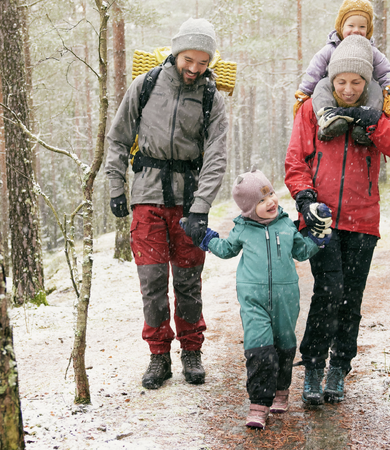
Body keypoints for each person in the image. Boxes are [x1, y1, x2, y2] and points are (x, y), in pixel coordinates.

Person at [285, 34, 390, 405]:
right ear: (331, 78)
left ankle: (339, 367)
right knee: (329, 291)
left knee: (350, 298)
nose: (349, 89)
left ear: (368, 81)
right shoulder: (311, 109)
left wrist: (374, 121)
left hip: (363, 221)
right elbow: (295, 160)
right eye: (342, 81)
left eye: (357, 82)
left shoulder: (381, 109)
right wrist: (305, 198)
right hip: (321, 219)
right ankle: (312, 367)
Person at [104, 18, 228, 390]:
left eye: (203, 62)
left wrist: (202, 206)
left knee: (188, 282)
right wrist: (115, 185)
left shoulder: (212, 98)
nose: (194, 68)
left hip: (189, 204)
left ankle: (191, 351)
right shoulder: (146, 85)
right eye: (189, 59)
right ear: (176, 53)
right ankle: (159, 356)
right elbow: (119, 138)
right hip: (147, 198)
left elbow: (216, 157)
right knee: (152, 282)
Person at [188, 169, 321, 429]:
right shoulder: (243, 229)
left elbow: (303, 252)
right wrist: (205, 237)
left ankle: (281, 389)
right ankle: (259, 403)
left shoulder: (285, 224)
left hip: (286, 297)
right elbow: (226, 250)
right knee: (258, 348)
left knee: (284, 344)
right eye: (261, 200)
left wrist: (318, 238)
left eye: (270, 194)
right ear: (249, 209)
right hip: (253, 299)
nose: (271, 201)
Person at [292, 0, 390, 124]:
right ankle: (328, 117)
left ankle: (367, 121)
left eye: (362, 27)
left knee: (374, 88)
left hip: (360, 93)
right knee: (322, 85)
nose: (356, 30)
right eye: (351, 26)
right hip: (335, 90)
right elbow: (314, 71)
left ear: (368, 29)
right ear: (341, 26)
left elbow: (385, 71)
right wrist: (304, 92)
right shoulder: (330, 49)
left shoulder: (371, 51)